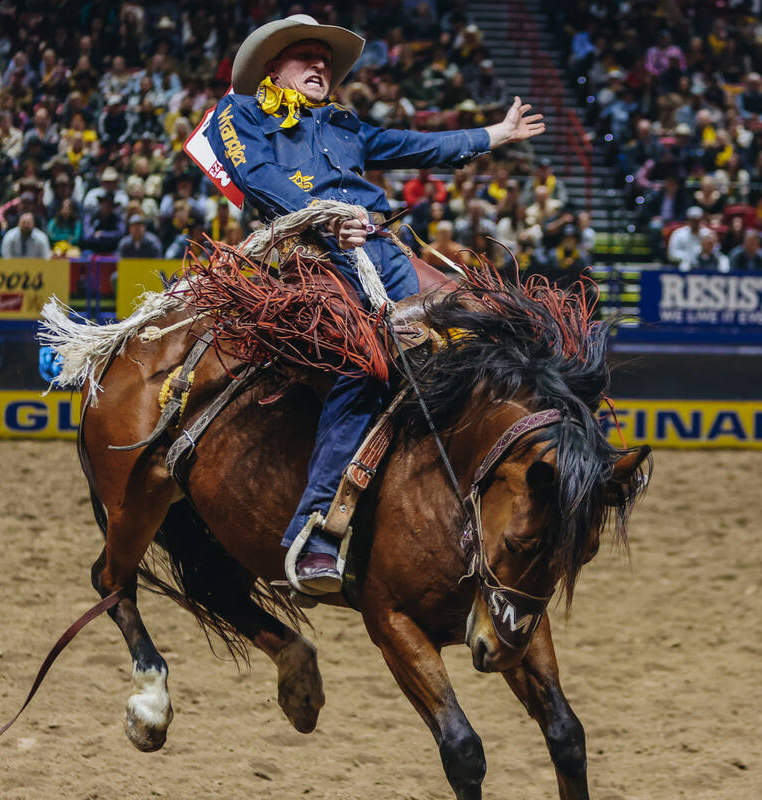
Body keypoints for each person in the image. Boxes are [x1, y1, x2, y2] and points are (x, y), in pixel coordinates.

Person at [206, 14, 545, 594]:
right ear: (272, 68)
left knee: (485, 329)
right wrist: (324, 216)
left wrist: (495, 134)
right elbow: (255, 174)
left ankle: (474, 491)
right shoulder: (239, 113)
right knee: (364, 362)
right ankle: (315, 532)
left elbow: (419, 146)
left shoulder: (344, 125)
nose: (321, 65)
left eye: (325, 59)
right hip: (305, 257)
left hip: (381, 248)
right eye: (305, 55)